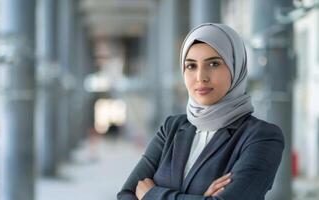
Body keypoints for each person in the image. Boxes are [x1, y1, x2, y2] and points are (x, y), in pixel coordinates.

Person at [117, 23, 284, 200]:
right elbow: (126, 195)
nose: (201, 77)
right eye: (191, 66)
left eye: (214, 64)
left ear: (236, 67)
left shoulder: (262, 136)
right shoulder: (171, 128)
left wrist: (152, 195)